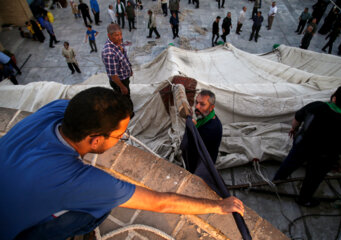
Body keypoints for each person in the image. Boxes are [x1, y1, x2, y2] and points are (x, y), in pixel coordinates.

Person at [0, 87, 245, 240]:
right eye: (120, 136)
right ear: (95, 140)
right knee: (99, 207)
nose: (122, 140)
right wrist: (219, 206)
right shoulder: (79, 182)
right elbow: (159, 203)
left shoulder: (55, 111)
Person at [273, 83, 341, 207]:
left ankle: (278, 179)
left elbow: (298, 118)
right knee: (313, 179)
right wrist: (340, 166)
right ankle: (303, 199)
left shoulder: (316, 106)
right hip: (324, 158)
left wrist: (294, 129)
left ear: (334, 97)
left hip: (302, 146)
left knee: (290, 163)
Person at [102, 24, 133, 102]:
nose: (120, 37)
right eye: (116, 35)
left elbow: (124, 57)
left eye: (120, 34)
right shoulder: (109, 53)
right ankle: (128, 112)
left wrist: (129, 69)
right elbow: (113, 75)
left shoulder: (118, 42)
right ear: (109, 35)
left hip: (124, 77)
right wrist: (122, 87)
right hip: (119, 82)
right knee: (124, 99)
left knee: (126, 95)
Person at [192, 90, 223, 164]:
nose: (196, 106)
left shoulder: (210, 129)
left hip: (204, 164)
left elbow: (192, 146)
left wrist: (192, 127)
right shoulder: (209, 116)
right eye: (196, 102)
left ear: (211, 107)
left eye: (202, 104)